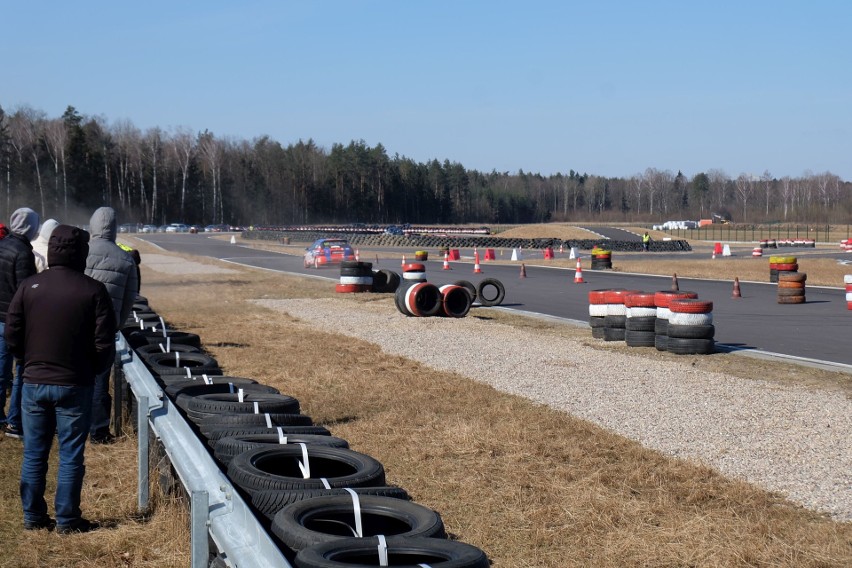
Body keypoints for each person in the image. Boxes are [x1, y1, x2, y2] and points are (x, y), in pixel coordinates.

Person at [6, 224, 115, 533]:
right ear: (82, 252)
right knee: (70, 455)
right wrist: (91, 371)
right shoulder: (93, 290)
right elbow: (105, 343)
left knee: (35, 453)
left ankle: (33, 516)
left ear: (52, 249)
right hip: (75, 383)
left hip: (35, 381)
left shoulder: (29, 286)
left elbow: (13, 333)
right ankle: (67, 520)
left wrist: (26, 363)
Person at [84, 207, 138, 444]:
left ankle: (70, 424)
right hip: (105, 329)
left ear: (92, 226)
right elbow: (129, 298)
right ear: (114, 228)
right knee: (99, 381)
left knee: (72, 376)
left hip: (76, 325)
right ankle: (98, 431)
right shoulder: (126, 258)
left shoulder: (81, 252)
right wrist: (117, 323)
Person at [0, 207, 39, 439]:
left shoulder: (2, 244)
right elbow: (27, 293)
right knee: (21, 371)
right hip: (13, 321)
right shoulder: (23, 253)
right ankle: (15, 422)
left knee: (1, 372)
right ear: (30, 227)